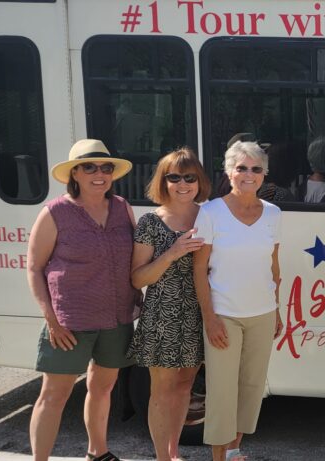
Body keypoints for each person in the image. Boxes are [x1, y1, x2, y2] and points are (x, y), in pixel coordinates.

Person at [26, 139, 136, 461]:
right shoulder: (55, 212)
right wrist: (51, 318)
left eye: (105, 167)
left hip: (117, 317)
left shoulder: (121, 207)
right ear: (75, 173)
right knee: (54, 395)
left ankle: (97, 452)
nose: (99, 174)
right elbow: (34, 268)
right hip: (69, 321)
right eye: (89, 167)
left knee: (102, 389)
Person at [193, 140, 285, 461]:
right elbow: (199, 271)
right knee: (222, 392)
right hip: (224, 315)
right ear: (229, 172)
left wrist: (277, 310)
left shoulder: (273, 213)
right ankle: (219, 458)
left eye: (256, 169)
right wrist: (210, 317)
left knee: (251, 388)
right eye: (241, 168)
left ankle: (234, 452)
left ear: (264, 175)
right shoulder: (210, 213)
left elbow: (273, 267)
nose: (248, 174)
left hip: (262, 314)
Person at [127, 148, 211, 461]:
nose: (182, 183)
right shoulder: (151, 221)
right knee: (162, 391)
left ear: (199, 180)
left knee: (185, 386)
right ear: (164, 182)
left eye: (190, 177)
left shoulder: (210, 216)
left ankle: (174, 452)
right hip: (162, 315)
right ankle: (163, 457)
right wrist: (172, 253)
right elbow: (137, 278)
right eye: (174, 177)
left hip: (199, 312)